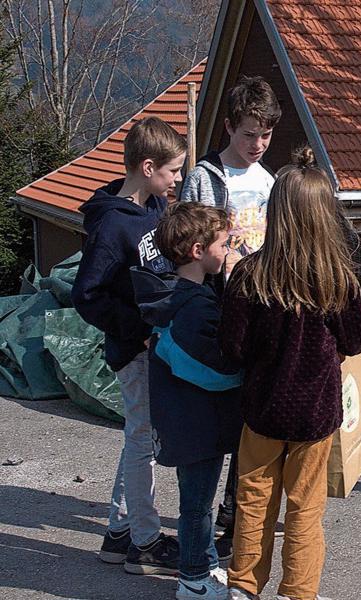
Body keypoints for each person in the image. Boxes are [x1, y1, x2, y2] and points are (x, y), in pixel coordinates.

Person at [220, 147, 361, 600]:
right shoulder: (339, 279)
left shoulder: (249, 274)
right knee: (305, 508)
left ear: (276, 212)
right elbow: (355, 343)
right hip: (314, 416)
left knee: (253, 500)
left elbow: (233, 349)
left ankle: (243, 586)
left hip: (262, 410)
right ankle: (298, 592)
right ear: (328, 215)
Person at [71, 116, 184, 573]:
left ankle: (119, 533)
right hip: (134, 350)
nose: (178, 180)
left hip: (152, 344)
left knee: (138, 437)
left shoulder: (153, 208)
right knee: (144, 442)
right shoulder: (114, 227)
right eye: (173, 171)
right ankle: (145, 542)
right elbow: (86, 294)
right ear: (147, 165)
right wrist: (133, 330)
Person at [180, 74, 281, 552]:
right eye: (248, 134)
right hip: (219, 307)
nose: (257, 144)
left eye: (265, 135)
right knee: (217, 418)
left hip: (260, 306)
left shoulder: (271, 182)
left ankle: (236, 511)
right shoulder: (205, 177)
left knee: (251, 419)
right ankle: (203, 521)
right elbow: (185, 242)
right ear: (228, 128)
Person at [131, 203, 245, 599]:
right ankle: (193, 580)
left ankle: (207, 567)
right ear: (198, 250)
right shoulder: (195, 306)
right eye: (224, 245)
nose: (228, 252)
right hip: (197, 423)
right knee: (197, 506)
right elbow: (207, 370)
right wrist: (243, 373)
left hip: (186, 419)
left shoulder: (174, 296)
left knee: (198, 502)